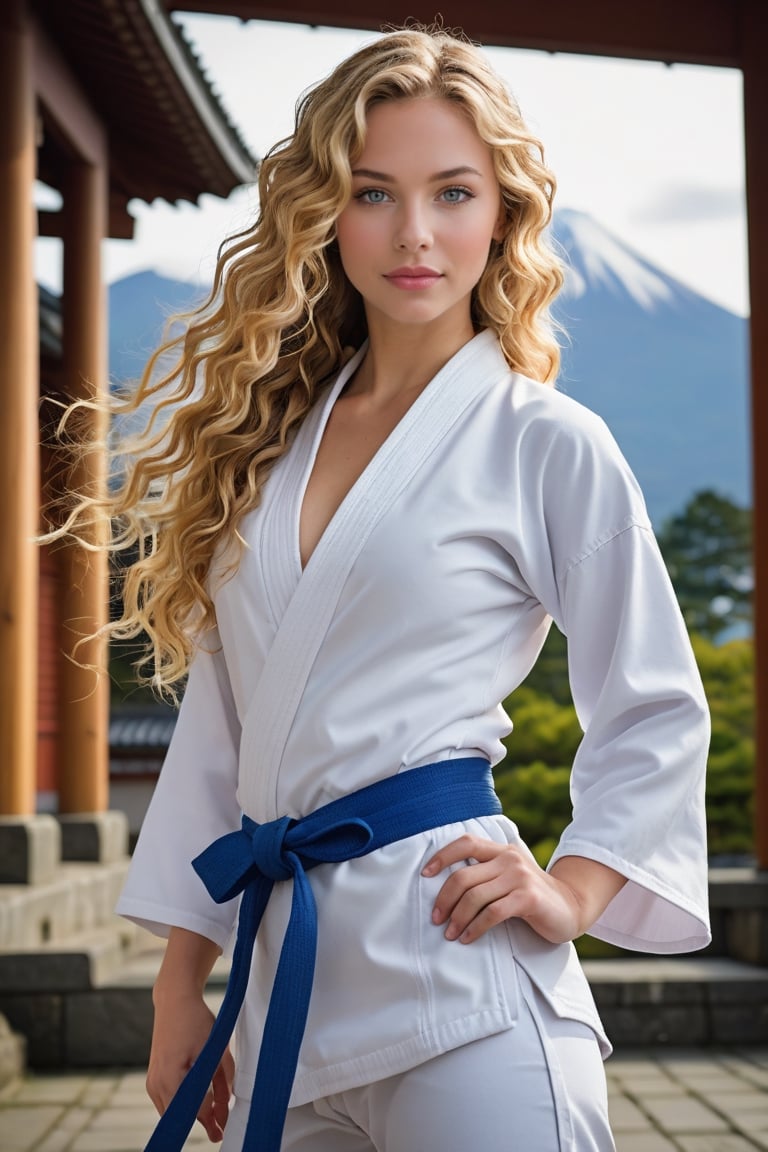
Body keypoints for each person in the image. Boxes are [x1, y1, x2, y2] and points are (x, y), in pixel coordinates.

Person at [66, 23, 710, 1152]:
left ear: (503, 212)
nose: (415, 234)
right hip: (285, 1003)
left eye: (453, 192)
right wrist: (181, 984)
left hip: (461, 985)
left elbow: (653, 701)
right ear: (324, 214)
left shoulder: (546, 442)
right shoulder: (263, 452)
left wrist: (574, 894)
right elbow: (221, 738)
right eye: (373, 193)